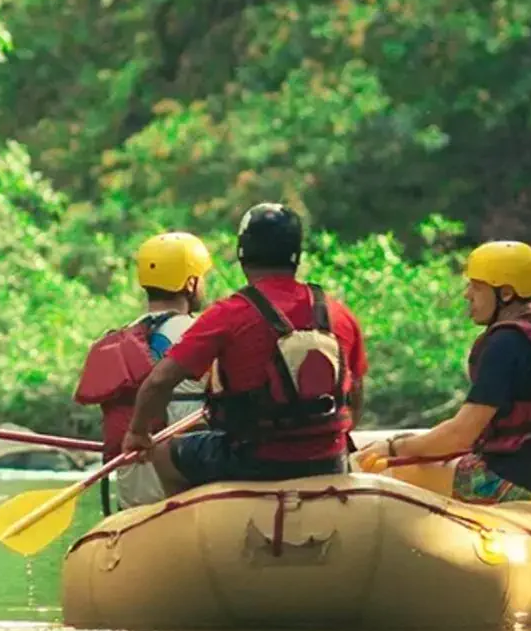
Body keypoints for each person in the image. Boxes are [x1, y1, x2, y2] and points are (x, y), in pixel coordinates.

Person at [127, 202, 366, 492]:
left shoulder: (228, 314)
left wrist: (138, 434)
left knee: (165, 454)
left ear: (243, 256)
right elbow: (356, 394)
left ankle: (182, 522)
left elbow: (159, 381)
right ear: (297, 256)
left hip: (254, 461)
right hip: (331, 460)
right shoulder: (338, 313)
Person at [356, 239, 531, 508]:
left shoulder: (506, 344)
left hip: (519, 485)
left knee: (392, 469)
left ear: (506, 294)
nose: (467, 295)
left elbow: (460, 436)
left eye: (476, 287)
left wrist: (394, 448)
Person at [75, 231, 210, 510]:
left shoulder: (119, 337)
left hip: (133, 504)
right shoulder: (202, 334)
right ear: (191, 283)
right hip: (184, 497)